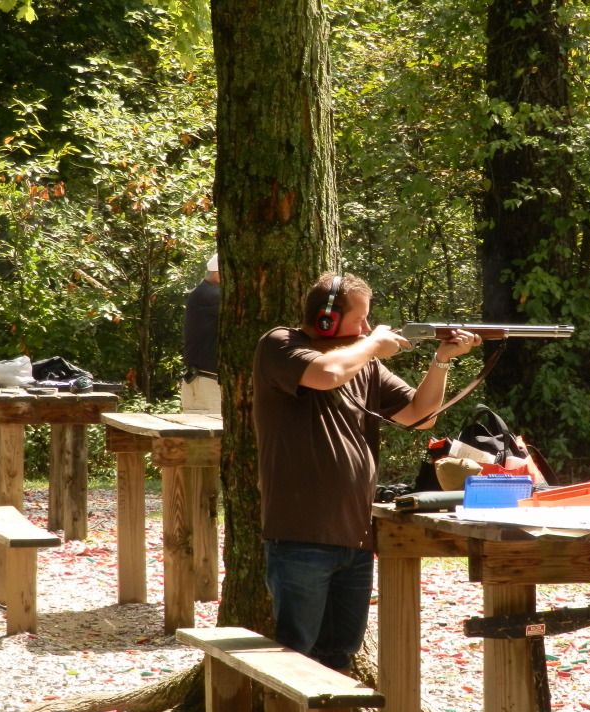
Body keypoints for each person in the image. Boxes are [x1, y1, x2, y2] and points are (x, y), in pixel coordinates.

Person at [252, 271, 480, 675]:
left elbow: (420, 416)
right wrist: (373, 344)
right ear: (326, 319)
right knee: (294, 659)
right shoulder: (280, 344)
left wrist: (442, 360)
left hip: (355, 539)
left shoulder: (363, 363)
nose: (367, 327)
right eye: (360, 319)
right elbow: (326, 374)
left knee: (339, 657)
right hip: (300, 537)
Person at [182, 253, 221, 413]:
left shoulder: (201, 293)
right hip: (208, 385)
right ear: (219, 274)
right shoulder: (213, 296)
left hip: (198, 381)